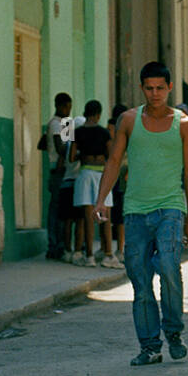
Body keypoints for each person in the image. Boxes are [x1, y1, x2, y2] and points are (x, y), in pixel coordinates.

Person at [92, 62, 188, 366]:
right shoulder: (129, 120)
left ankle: (174, 331)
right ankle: (150, 346)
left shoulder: (185, 125)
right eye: (149, 88)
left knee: (168, 266)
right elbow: (114, 161)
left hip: (170, 208)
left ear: (169, 89)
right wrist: (101, 200)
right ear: (142, 89)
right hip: (136, 211)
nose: (155, 94)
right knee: (139, 281)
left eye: (160, 88)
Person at [70, 100, 120, 268]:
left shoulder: (77, 131)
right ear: (99, 114)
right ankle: (108, 255)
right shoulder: (104, 132)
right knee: (105, 216)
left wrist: (83, 154)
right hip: (101, 174)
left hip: (84, 173)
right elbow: (111, 155)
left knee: (87, 218)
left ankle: (89, 255)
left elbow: (71, 156)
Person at [49, 95, 86, 264]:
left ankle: (60, 245)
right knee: (58, 212)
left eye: (69, 107)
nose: (68, 111)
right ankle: (55, 246)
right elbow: (62, 148)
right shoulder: (58, 123)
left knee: (63, 212)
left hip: (64, 170)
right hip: (58, 171)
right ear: (58, 106)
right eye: (65, 107)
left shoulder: (65, 124)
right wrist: (76, 147)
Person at [107, 104, 128, 258]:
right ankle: (118, 249)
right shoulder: (127, 129)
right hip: (120, 172)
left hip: (116, 173)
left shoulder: (123, 129)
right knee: (117, 213)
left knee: (116, 213)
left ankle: (116, 249)